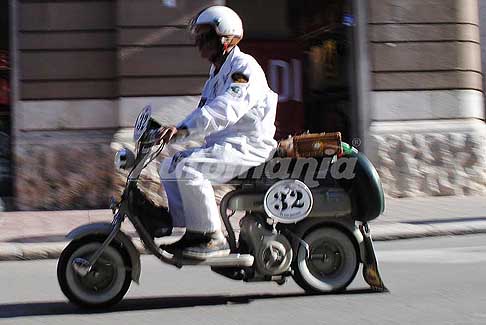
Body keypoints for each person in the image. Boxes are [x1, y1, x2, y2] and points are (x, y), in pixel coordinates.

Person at [157, 5, 278, 259]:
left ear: (227, 38)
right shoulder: (215, 74)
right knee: (169, 165)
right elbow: (202, 110)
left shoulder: (243, 68)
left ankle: (211, 237)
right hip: (226, 146)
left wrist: (184, 129)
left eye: (206, 37)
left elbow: (225, 110)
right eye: (198, 37)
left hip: (248, 148)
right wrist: (177, 131)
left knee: (190, 169)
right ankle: (189, 229)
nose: (199, 43)